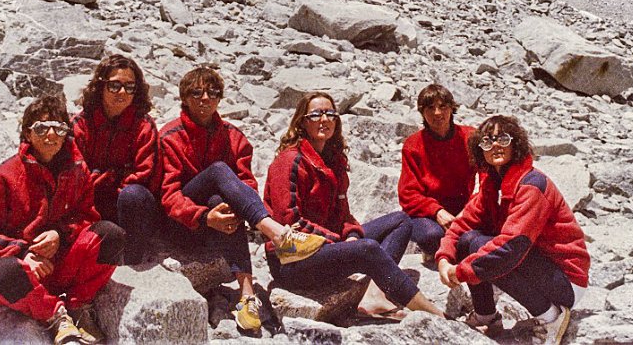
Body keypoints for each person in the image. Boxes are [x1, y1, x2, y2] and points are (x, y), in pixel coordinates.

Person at [160, 66, 325, 333]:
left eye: (213, 92)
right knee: (218, 171)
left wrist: (232, 211)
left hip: (219, 221)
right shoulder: (170, 136)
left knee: (221, 199)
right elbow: (168, 195)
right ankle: (276, 233)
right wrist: (203, 217)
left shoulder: (234, 136)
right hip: (181, 226)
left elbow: (247, 182)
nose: (205, 98)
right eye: (197, 92)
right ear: (184, 98)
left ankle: (247, 295)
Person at [264, 92, 445, 320]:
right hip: (291, 261)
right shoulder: (290, 161)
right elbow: (289, 223)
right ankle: (433, 313)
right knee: (366, 248)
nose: (324, 119)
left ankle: (375, 295)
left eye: (330, 114)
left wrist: (350, 233)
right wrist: (340, 241)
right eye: (316, 114)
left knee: (401, 221)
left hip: (325, 247)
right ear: (302, 121)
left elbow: (344, 213)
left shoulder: (333, 160)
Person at [0, 93, 126, 345]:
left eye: (58, 128)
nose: (50, 135)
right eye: (41, 128)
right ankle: (55, 315)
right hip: (26, 271)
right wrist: (23, 253)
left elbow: (87, 216)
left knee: (111, 235)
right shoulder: (2, 177)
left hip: (61, 263)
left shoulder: (77, 169)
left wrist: (59, 235)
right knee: (3, 273)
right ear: (27, 134)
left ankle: (78, 305)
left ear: (66, 133)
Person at [436, 115, 589, 345]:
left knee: (488, 249)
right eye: (487, 142)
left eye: (503, 139)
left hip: (567, 280)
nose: (495, 145)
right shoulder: (493, 183)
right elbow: (463, 223)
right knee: (469, 239)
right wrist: (444, 257)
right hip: (540, 267)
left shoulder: (531, 184)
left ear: (515, 143)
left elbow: (511, 246)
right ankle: (486, 316)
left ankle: (552, 317)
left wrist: (461, 272)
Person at [72, 53, 161, 264]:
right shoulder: (81, 124)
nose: (122, 92)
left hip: (128, 204)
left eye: (130, 87)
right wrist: (113, 176)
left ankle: (132, 259)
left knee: (134, 195)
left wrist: (103, 179)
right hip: (91, 203)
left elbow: (146, 175)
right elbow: (75, 175)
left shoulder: (143, 126)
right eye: (114, 86)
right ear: (100, 87)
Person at [398, 84, 477, 263]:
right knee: (431, 235)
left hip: (466, 208)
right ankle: (440, 251)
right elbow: (407, 194)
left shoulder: (470, 137)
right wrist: (437, 211)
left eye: (443, 106)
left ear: (451, 108)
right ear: (422, 112)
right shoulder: (413, 145)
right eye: (430, 108)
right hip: (430, 214)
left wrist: (470, 209)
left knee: (473, 236)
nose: (437, 113)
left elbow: (485, 178)